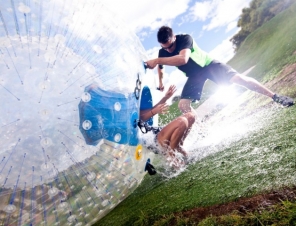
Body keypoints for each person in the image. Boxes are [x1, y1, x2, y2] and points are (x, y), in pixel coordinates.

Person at [145, 26, 294, 114]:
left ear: (174, 37)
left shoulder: (185, 38)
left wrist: (157, 59)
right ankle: (201, 131)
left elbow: (182, 59)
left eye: (170, 46)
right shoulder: (163, 52)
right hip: (194, 75)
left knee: (239, 79)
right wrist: (160, 82)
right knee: (182, 105)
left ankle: (275, 97)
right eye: (165, 48)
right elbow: (161, 68)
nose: (169, 50)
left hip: (209, 66)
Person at [138, 85, 195, 169]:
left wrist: (166, 97)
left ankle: (178, 146)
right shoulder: (128, 109)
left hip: (158, 131)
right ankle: (170, 156)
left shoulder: (136, 102)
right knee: (182, 121)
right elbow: (141, 117)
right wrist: (154, 111)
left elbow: (150, 110)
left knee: (191, 116)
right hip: (154, 139)